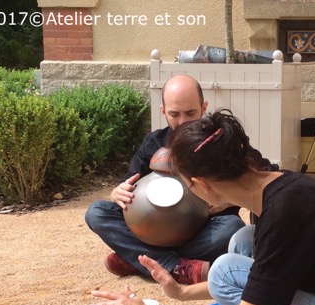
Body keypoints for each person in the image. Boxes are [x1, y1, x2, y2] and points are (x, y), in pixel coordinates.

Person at [88, 109, 315, 305]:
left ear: (202, 185)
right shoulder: (279, 188)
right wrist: (182, 292)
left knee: (227, 268)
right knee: (245, 241)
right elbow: (269, 276)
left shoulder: (287, 211)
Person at [85, 75, 248, 284]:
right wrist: (118, 193)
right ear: (163, 110)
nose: (182, 122)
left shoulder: (222, 141)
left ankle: (139, 259)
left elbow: (260, 181)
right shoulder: (153, 142)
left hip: (205, 230)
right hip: (153, 230)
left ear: (204, 106)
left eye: (190, 113)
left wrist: (228, 199)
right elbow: (128, 182)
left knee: (232, 228)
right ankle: (175, 266)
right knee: (97, 212)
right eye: (174, 114)